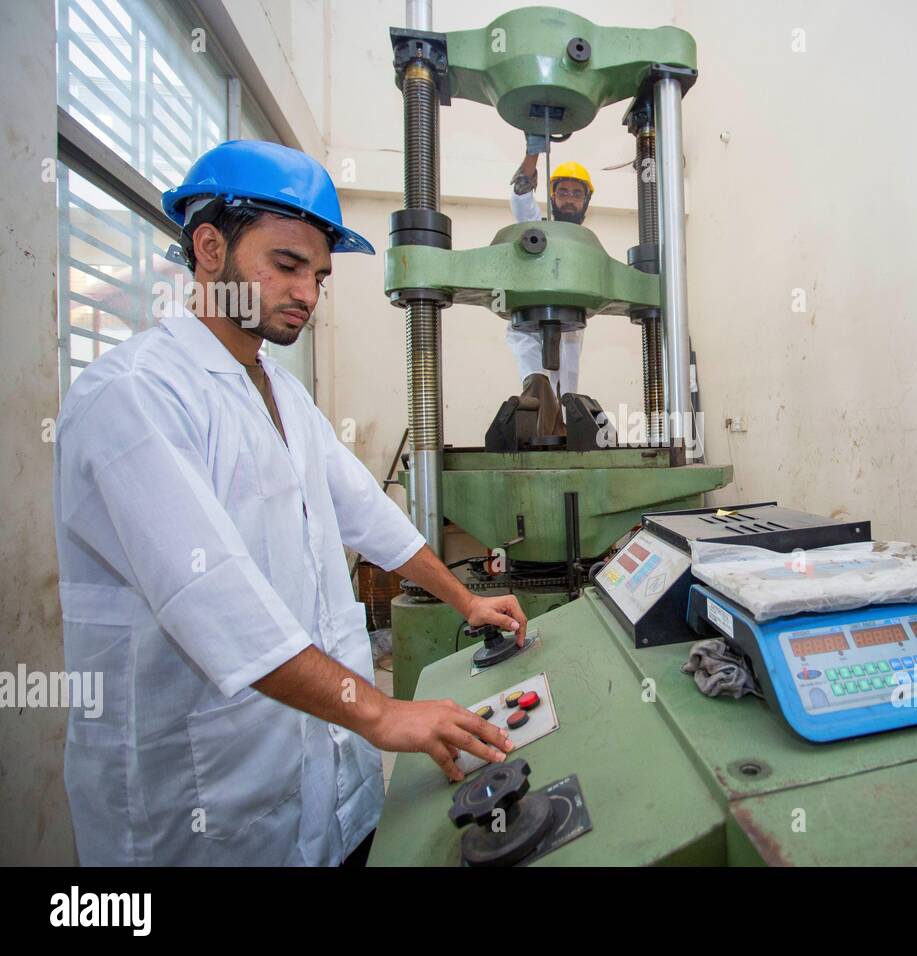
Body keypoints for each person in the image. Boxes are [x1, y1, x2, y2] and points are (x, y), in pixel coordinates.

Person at [53, 139, 527, 866]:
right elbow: (211, 597)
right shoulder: (137, 394)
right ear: (210, 247)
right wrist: (380, 713)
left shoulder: (281, 392)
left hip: (320, 783)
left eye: (319, 275)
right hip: (202, 805)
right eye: (286, 265)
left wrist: (464, 601)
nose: (307, 291)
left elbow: (367, 514)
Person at [506, 134, 595, 408]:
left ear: (586, 201)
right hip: (531, 326)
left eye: (576, 194)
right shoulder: (538, 232)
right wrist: (533, 152)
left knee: (567, 397)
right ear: (553, 196)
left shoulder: (588, 245)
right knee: (538, 389)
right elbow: (521, 197)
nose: (569, 199)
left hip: (569, 329)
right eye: (563, 192)